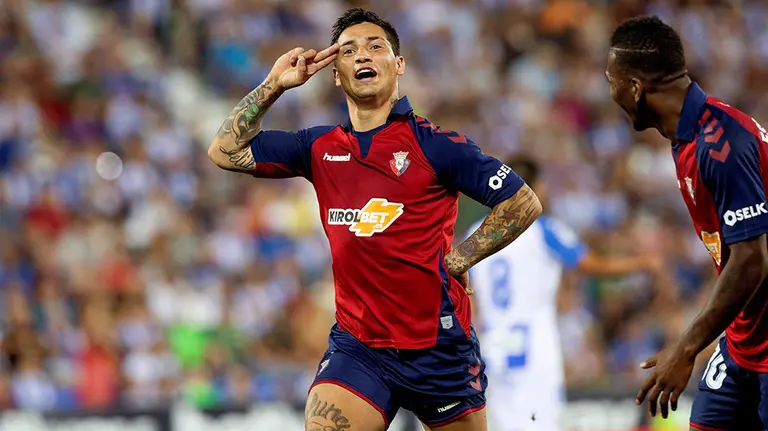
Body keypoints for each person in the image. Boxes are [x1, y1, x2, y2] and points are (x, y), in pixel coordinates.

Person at [207, 8, 543, 431]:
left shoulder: (437, 146)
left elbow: (522, 202)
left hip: (438, 349)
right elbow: (224, 151)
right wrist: (274, 86)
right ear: (335, 72)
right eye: (348, 50)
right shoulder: (319, 146)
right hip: (358, 347)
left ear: (398, 64)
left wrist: (459, 259)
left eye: (375, 46)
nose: (362, 56)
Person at [606, 15, 768, 430]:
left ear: (637, 87)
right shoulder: (689, 138)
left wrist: (687, 347)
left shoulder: (721, 144)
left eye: (613, 81)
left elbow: (752, 260)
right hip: (745, 339)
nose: (611, 93)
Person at [468, 155, 661, 431]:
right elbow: (590, 264)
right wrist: (642, 263)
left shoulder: (475, 232)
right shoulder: (542, 229)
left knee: (501, 419)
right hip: (534, 340)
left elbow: (466, 292)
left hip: (493, 340)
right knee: (541, 421)